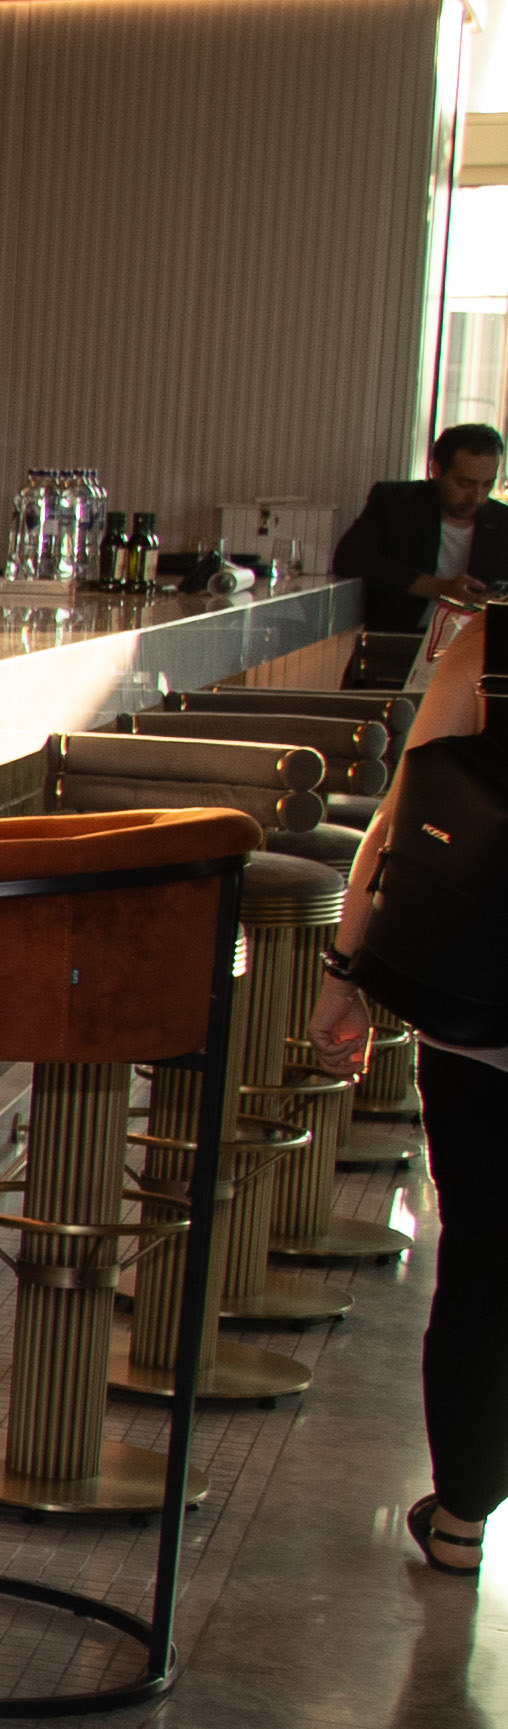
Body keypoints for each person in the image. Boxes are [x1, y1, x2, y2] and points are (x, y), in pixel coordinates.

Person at [311, 602, 503, 1575]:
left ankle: (463, 1516)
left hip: (485, 1009)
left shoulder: (490, 643)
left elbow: (399, 823)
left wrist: (345, 974)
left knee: (484, 1257)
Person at [330, 424, 503, 623]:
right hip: (399, 635)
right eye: (465, 484)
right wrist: (438, 587)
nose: (477, 497)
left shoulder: (502, 522)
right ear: (436, 470)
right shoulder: (396, 502)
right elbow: (348, 557)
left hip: (473, 639)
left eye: (488, 484)